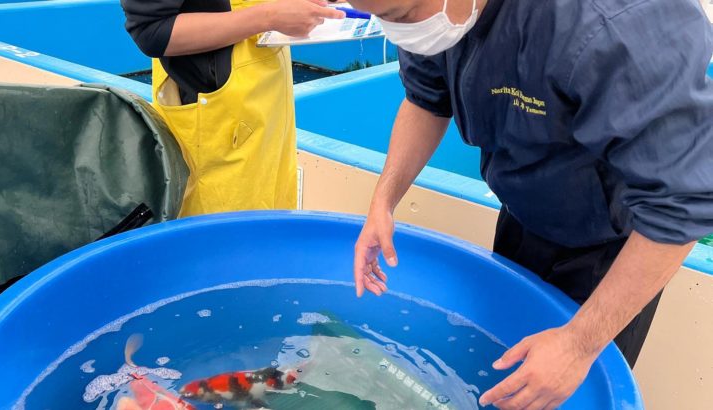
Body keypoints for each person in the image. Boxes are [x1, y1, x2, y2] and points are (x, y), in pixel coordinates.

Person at [347, 0, 713, 408]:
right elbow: (426, 98)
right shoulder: (428, 14)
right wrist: (383, 202)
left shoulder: (614, 24)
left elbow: (681, 204)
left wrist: (578, 345)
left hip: (614, 244)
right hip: (525, 211)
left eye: (399, 16)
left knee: (566, 385)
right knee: (504, 372)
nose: (398, 30)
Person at [121, 0, 344, 216]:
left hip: (267, 117)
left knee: (269, 230)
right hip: (215, 123)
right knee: (219, 242)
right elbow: (151, 30)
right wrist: (270, 16)